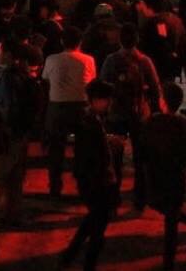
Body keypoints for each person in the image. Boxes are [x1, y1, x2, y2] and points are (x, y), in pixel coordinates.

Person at [62, 80, 121, 271]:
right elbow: (97, 158)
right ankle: (85, 262)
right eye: (106, 99)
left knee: (93, 221)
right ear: (96, 99)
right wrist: (110, 182)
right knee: (97, 227)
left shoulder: (89, 120)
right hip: (97, 182)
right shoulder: (91, 124)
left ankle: (70, 256)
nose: (109, 103)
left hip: (89, 181)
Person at [101, 23, 161, 209]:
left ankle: (113, 197)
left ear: (120, 40)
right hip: (139, 113)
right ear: (137, 40)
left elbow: (103, 85)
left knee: (115, 158)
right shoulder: (144, 61)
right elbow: (155, 88)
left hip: (116, 114)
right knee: (140, 159)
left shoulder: (111, 60)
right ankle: (140, 198)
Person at [139, 81, 186, 270]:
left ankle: (169, 261)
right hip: (175, 177)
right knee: (171, 219)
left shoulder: (151, 123)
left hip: (156, 176)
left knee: (166, 213)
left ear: (163, 101)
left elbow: (142, 154)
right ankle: (169, 262)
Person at [0, 38, 39, 227]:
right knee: (14, 179)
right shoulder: (21, 75)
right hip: (20, 135)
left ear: (9, 55)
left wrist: (1, 130)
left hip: (8, 136)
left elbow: (8, 110)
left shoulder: (7, 79)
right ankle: (13, 214)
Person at [42, 26, 96, 199]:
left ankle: (55, 186)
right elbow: (92, 81)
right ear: (80, 42)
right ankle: (82, 185)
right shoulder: (88, 60)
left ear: (62, 41)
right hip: (81, 106)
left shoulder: (52, 59)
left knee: (56, 148)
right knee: (82, 148)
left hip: (57, 106)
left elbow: (45, 79)